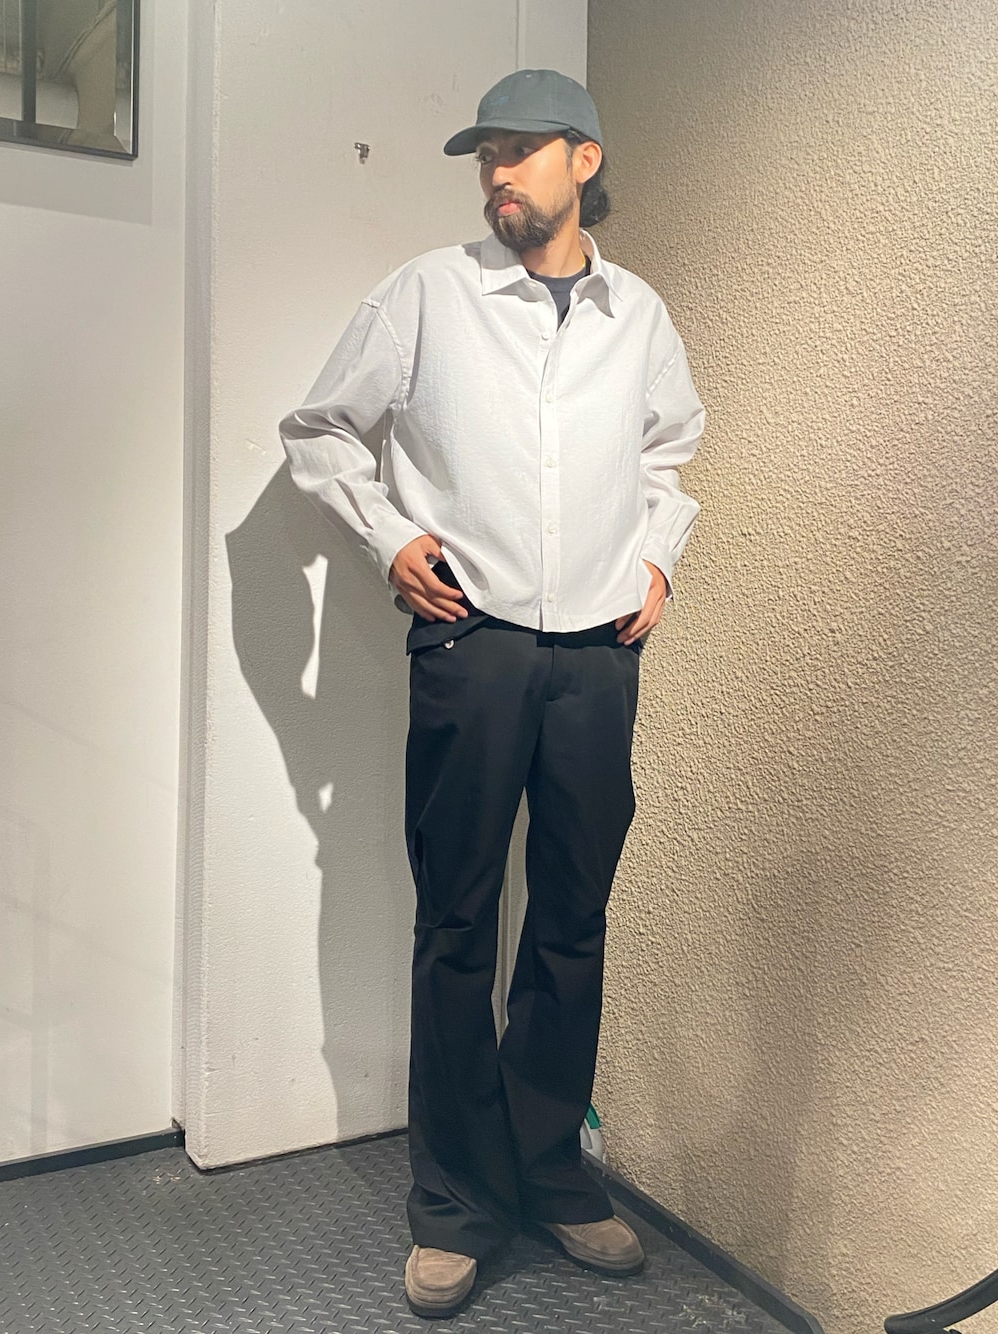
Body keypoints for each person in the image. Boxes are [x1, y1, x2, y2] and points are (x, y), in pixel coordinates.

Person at [279, 68, 705, 1319]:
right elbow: (319, 428)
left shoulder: (639, 314)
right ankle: (458, 1202)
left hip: (597, 651)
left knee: (573, 917)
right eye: (485, 157)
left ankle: (551, 1173)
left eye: (520, 150)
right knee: (459, 922)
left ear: (585, 159)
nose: (497, 174)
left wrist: (658, 558)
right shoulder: (429, 292)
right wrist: (389, 536)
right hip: (473, 642)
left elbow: (671, 450)